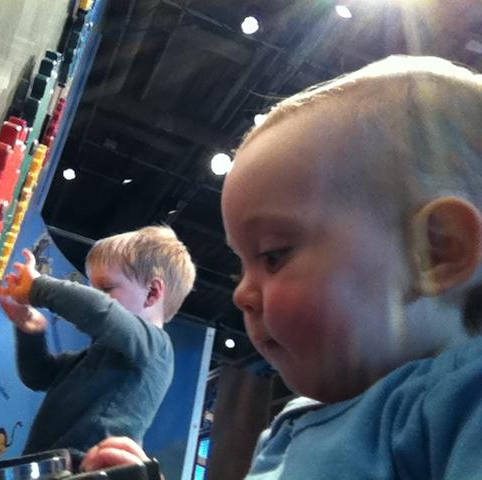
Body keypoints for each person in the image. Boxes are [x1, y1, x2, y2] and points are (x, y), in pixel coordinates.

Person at [81, 55, 482, 479]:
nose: (240, 293)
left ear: (436, 251)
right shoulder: (295, 424)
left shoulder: (460, 406)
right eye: (242, 267)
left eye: (273, 255)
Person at [0, 225, 195, 466]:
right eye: (94, 290)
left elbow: (99, 310)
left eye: (106, 288)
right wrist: (31, 329)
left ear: (152, 292)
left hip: (85, 468)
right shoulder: (92, 358)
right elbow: (38, 375)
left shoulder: (157, 348)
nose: (97, 295)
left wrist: (40, 287)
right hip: (47, 465)